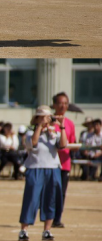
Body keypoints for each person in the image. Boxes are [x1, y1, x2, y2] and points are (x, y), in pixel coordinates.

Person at [18, 105, 66, 241]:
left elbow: (63, 145)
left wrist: (61, 126)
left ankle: (47, 230)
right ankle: (24, 230)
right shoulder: (30, 132)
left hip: (53, 168)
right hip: (35, 167)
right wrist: (39, 126)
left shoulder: (53, 133)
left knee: (50, 199)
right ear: (37, 118)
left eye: (48, 117)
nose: (46, 120)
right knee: (31, 199)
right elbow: (33, 143)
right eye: (43, 117)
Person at [51, 92, 76, 228]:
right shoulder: (49, 122)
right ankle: (48, 216)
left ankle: (57, 219)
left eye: (66, 103)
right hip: (51, 162)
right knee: (50, 191)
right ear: (54, 105)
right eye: (60, 103)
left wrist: (75, 147)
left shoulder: (70, 124)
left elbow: (72, 142)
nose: (63, 106)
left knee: (61, 193)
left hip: (65, 163)